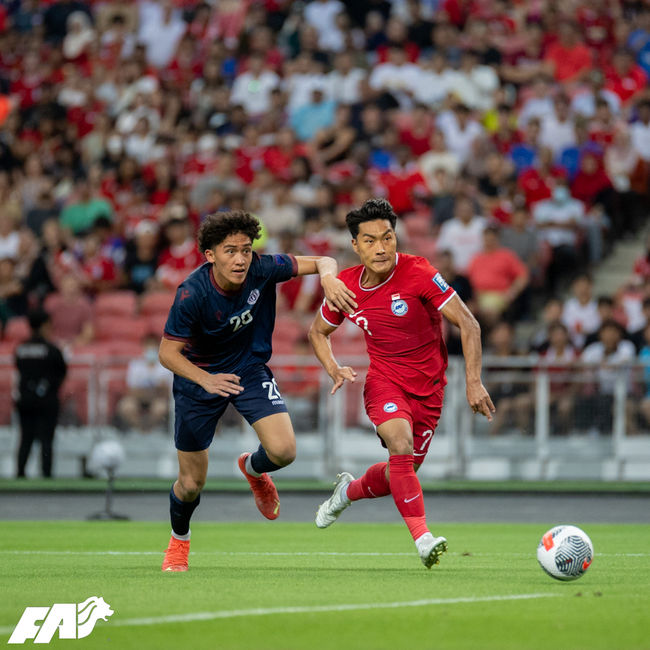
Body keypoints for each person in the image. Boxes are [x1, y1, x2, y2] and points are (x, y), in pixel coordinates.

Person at [158, 210, 356, 572]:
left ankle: (252, 469)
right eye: (230, 250)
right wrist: (205, 379)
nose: (240, 259)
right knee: (190, 483)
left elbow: (326, 259)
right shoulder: (192, 293)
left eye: (246, 250)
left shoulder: (263, 269)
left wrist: (328, 278)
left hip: (247, 369)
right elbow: (166, 353)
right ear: (210, 255)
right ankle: (179, 542)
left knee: (284, 451)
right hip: (197, 379)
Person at [308, 198, 494, 569]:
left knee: (400, 471)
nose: (381, 248)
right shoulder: (343, 286)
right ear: (356, 246)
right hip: (385, 381)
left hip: (430, 388)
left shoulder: (419, 272)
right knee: (400, 442)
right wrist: (332, 366)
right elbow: (317, 331)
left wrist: (473, 382)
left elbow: (469, 323)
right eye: (371, 240)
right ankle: (423, 538)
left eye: (387, 238)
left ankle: (347, 492)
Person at [15, 310, 67, 478]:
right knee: (46, 439)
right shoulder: (52, 350)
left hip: (25, 399)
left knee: (25, 438)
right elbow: (62, 372)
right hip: (47, 400)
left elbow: (19, 368)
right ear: (45, 326)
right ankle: (46, 474)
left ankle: (20, 473)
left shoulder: (21, 349)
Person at [116, 335, 172, 432]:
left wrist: (146, 391)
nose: (151, 349)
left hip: (157, 399)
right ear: (144, 348)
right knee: (126, 406)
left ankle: (149, 430)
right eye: (148, 346)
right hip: (139, 399)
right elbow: (131, 390)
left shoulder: (165, 367)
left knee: (160, 408)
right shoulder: (135, 365)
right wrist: (154, 390)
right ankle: (139, 429)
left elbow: (167, 392)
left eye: (153, 346)